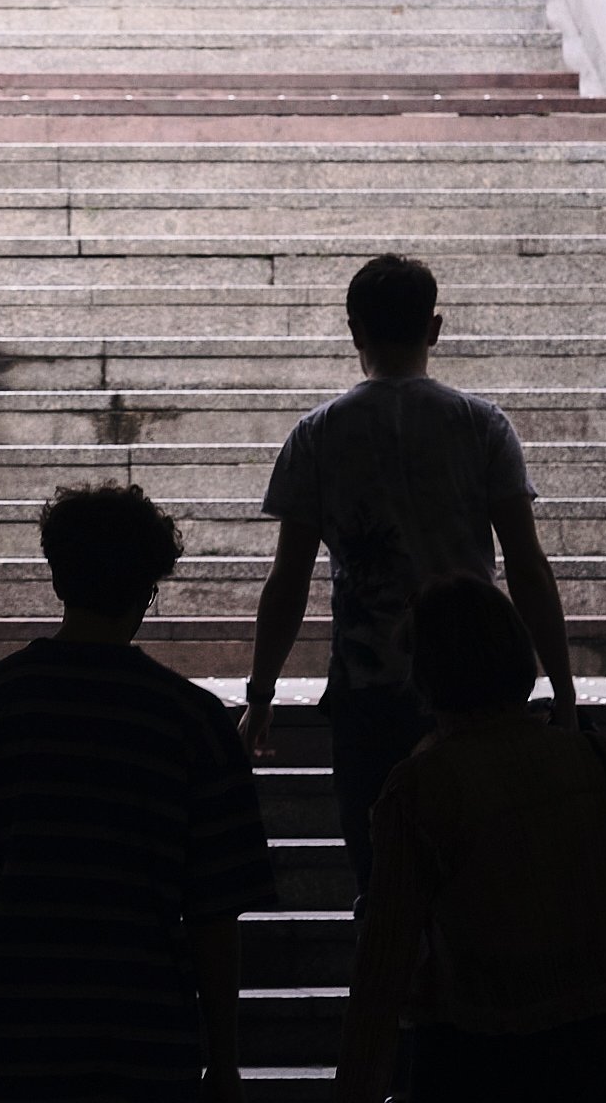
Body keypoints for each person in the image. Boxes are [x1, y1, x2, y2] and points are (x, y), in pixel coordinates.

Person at [0, 484, 272, 1103]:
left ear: (55, 575)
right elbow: (213, 917)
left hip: (12, 1057)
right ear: (150, 587)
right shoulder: (193, 722)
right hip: (146, 1059)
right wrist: (223, 1061)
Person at [330, 575, 606, 1103]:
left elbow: (385, 956)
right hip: (589, 1045)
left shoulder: (419, 789)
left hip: (469, 1056)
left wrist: (355, 1098)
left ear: (428, 676)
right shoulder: (599, 760)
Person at [239, 254, 579, 898]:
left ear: (355, 331)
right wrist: (561, 687)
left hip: (369, 685)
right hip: (479, 688)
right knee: (482, 877)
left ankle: (389, 992)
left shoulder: (317, 435)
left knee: (382, 873)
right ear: (435, 328)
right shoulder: (483, 426)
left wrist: (262, 694)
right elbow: (528, 567)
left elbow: (287, 582)